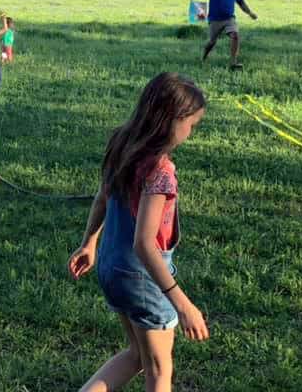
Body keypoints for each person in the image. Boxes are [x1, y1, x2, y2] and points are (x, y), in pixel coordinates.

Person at [68, 73, 210, 392]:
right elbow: (145, 244)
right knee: (160, 370)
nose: (191, 132)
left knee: (137, 355)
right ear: (173, 119)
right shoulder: (160, 171)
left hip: (111, 267)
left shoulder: (121, 142)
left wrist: (89, 242)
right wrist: (182, 303)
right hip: (141, 277)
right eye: (192, 124)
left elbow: (103, 196)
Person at [200, 0, 258, 69]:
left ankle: (233, 62)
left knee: (235, 36)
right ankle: (203, 58)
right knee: (211, 42)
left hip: (229, 19)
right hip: (215, 19)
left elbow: (241, 3)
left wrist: (250, 13)